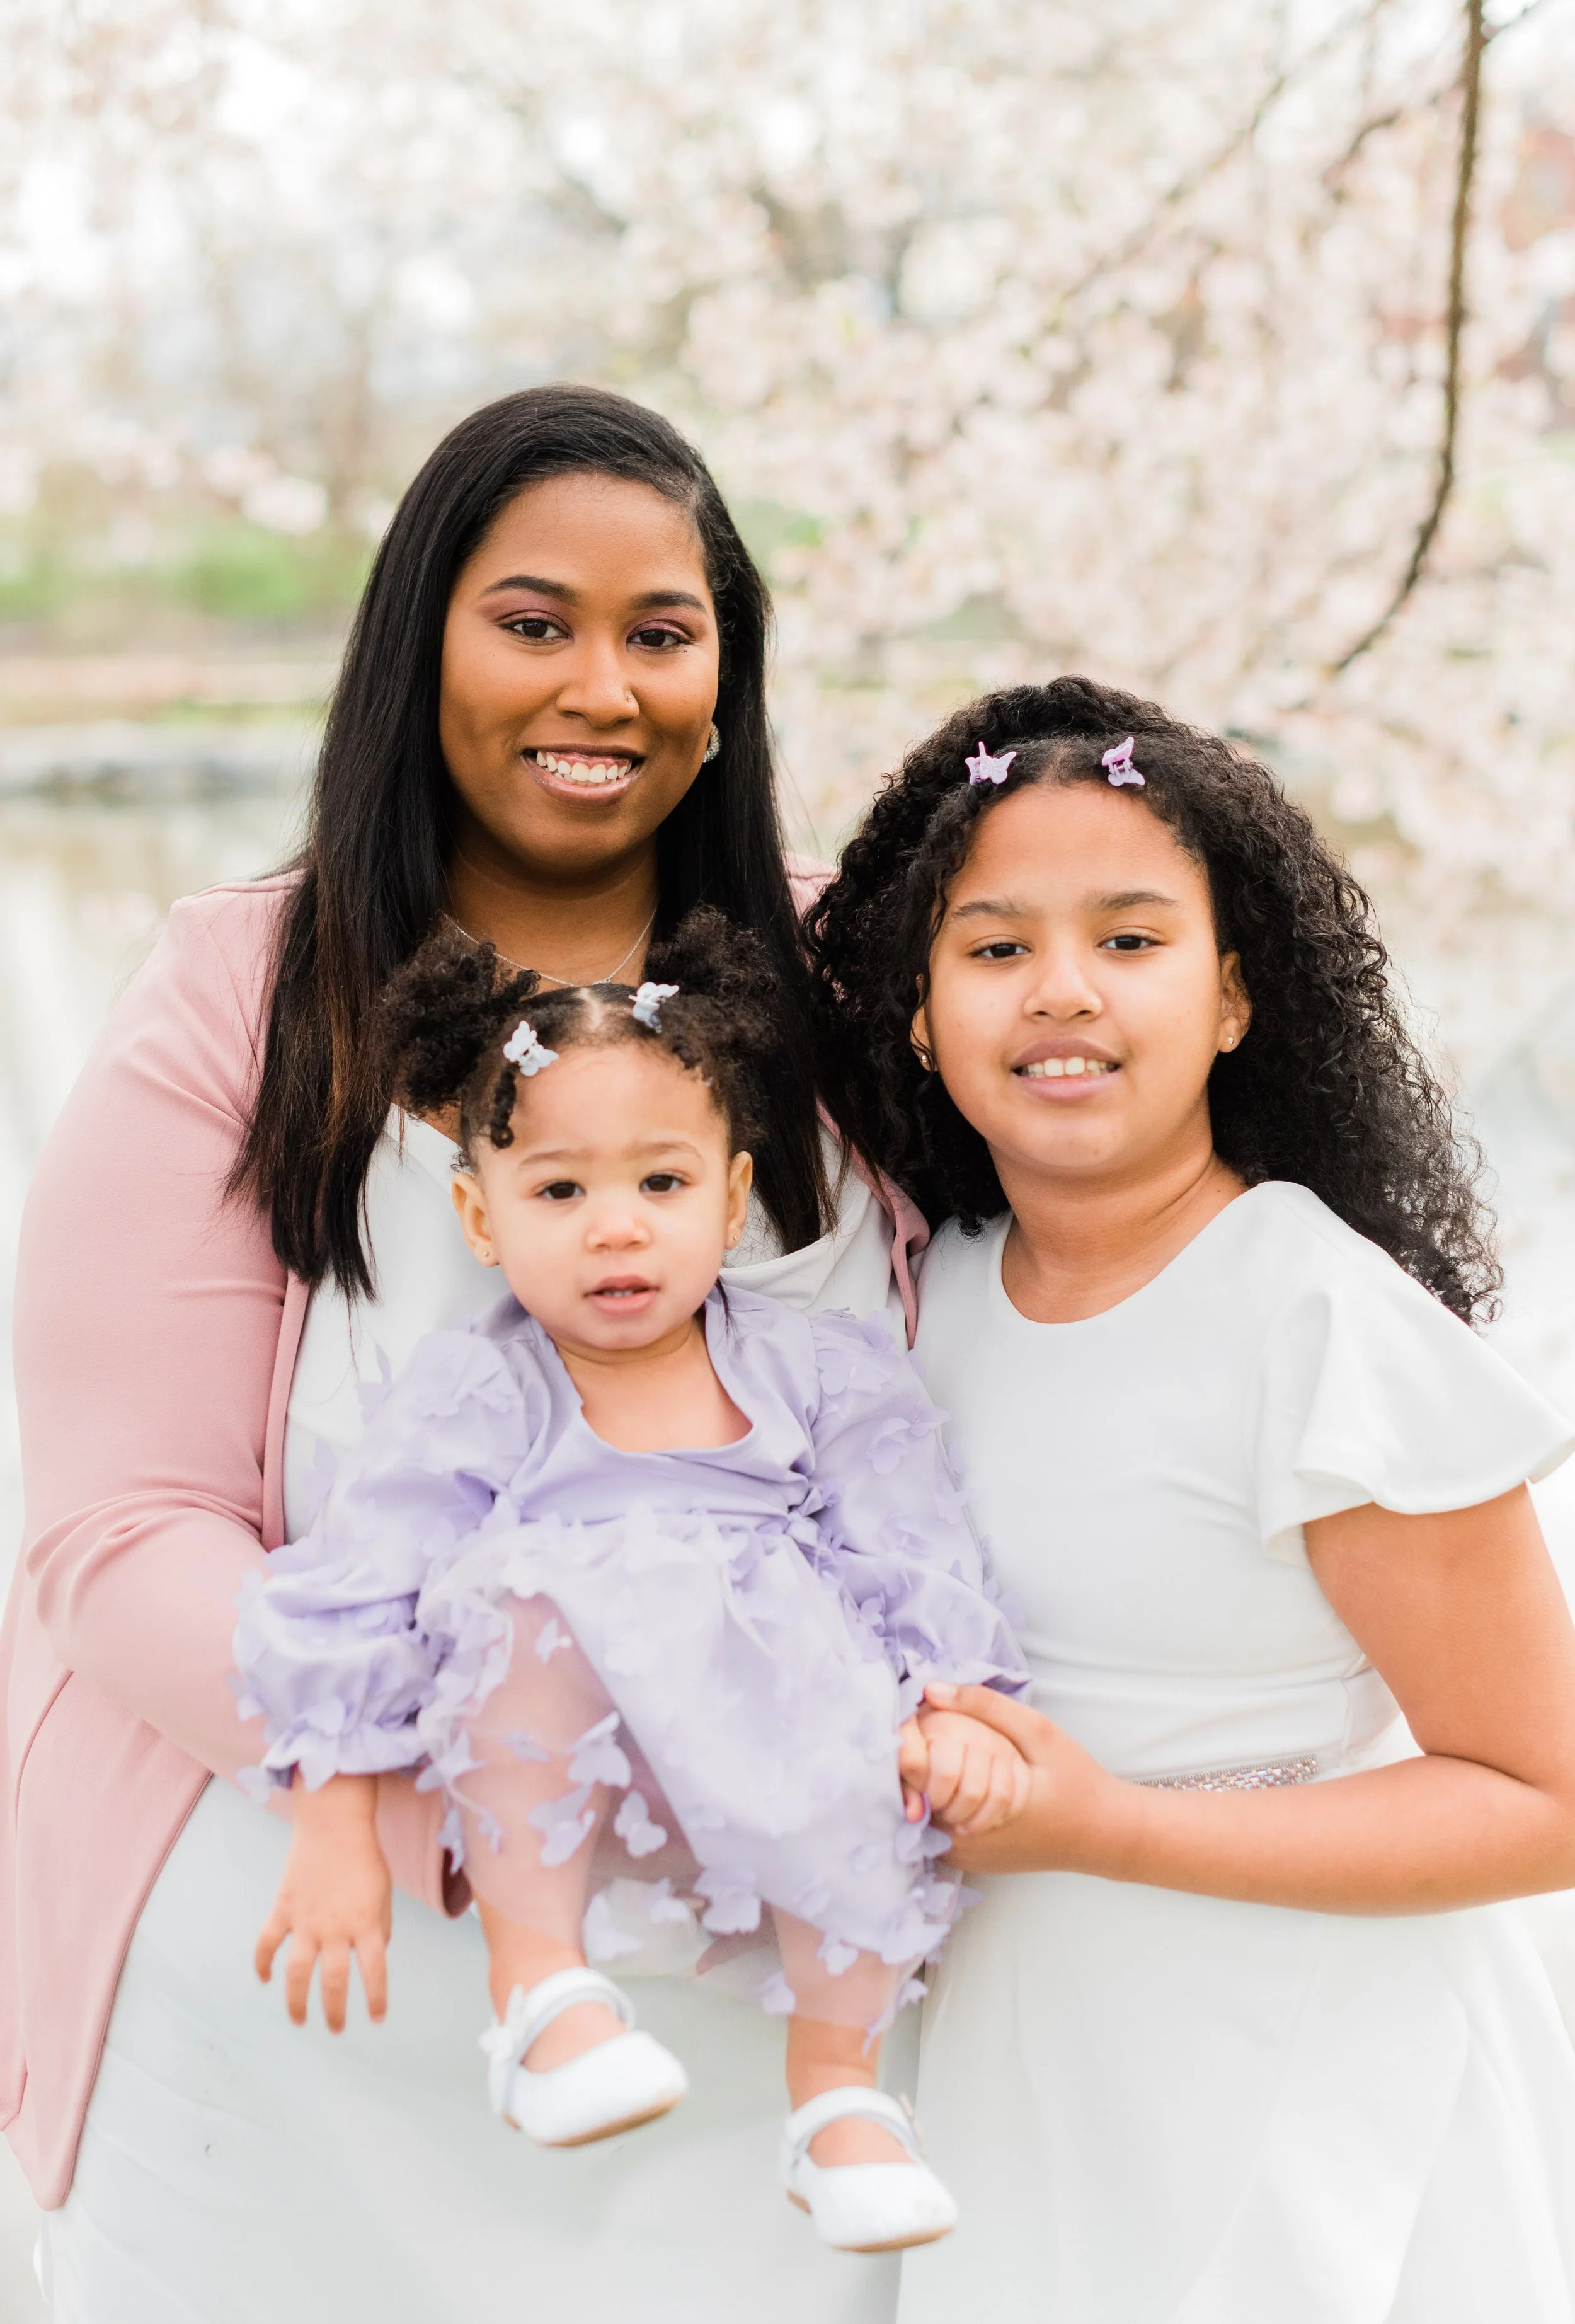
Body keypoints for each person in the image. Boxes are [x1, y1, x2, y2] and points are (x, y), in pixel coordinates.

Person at [3, 385, 925, 2324]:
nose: (601, 687)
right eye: (531, 623)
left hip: (775, 2023)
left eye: (660, 633)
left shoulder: (849, 983)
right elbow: (122, 1530)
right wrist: (487, 1799)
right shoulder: (247, 992)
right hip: (314, 1971)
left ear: (727, 677)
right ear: (418, 642)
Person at [808, 675, 1575, 2321]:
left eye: (1130, 939)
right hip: (1026, 2062)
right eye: (994, 947)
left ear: (1232, 996)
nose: (1060, 989)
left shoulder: (1312, 1318)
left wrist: (1112, 1827)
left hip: (1297, 2069)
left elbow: (1543, 1798)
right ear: (917, 1012)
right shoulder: (921, 1299)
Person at [235, 919, 1029, 2254]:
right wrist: (334, 1822)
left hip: (782, 1736)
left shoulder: (814, 1373)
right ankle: (542, 1997)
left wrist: (957, 1708)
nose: (617, 1228)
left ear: (730, 1197)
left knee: (863, 1732)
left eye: (661, 1183)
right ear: (480, 1218)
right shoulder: (483, 1390)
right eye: (558, 1193)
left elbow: (911, 1549)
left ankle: (839, 2097)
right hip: (575, 1763)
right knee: (521, 1603)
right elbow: (365, 1579)